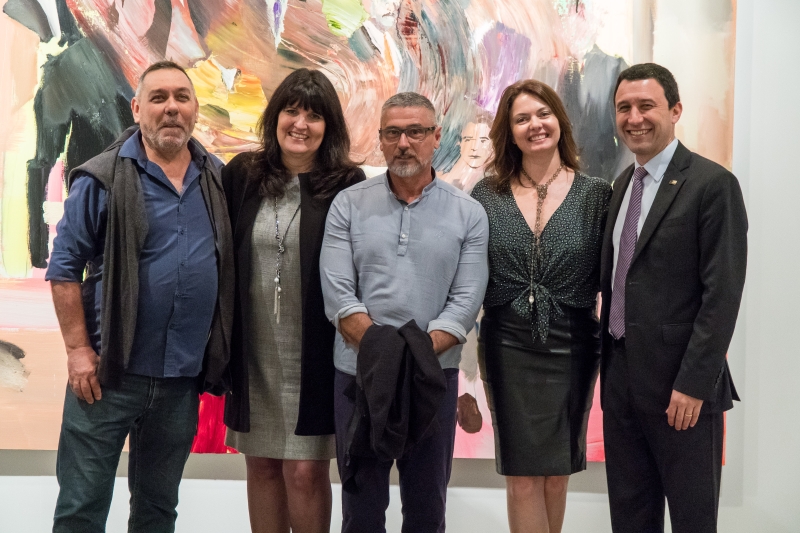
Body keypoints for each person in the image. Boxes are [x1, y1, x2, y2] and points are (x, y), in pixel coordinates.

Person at [45, 61, 233, 532]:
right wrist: (77, 351)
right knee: (81, 509)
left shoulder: (216, 177)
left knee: (156, 511)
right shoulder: (101, 177)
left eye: (181, 97)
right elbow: (64, 268)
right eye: (158, 97)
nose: (171, 107)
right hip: (108, 376)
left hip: (180, 381)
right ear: (137, 108)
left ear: (194, 109)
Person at [320, 92, 489, 533]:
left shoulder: (468, 213)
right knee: (361, 510)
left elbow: (465, 304)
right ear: (380, 140)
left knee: (427, 510)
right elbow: (339, 296)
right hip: (357, 378)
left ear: (436, 137)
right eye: (393, 133)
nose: (404, 143)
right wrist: (388, 355)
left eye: (415, 132)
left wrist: (406, 355)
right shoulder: (349, 204)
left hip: (432, 379)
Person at [600, 63, 747, 533]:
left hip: (681, 393)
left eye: (647, 106)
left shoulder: (712, 184)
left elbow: (721, 294)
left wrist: (694, 385)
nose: (634, 117)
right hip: (621, 388)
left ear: (675, 110)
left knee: (693, 521)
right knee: (630, 520)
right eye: (624, 107)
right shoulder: (622, 186)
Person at [222, 68, 364, 533]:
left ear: (330, 127)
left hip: (316, 351)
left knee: (305, 471)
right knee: (261, 466)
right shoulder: (242, 174)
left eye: (315, 115)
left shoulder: (347, 183)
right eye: (292, 110)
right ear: (275, 116)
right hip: (254, 348)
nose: (301, 123)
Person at [470, 79, 611, 533]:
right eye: (522, 118)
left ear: (559, 120)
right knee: (523, 478)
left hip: (573, 343)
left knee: (556, 476)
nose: (535, 125)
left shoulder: (597, 195)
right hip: (507, 343)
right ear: (509, 133)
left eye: (543, 113)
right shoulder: (485, 195)